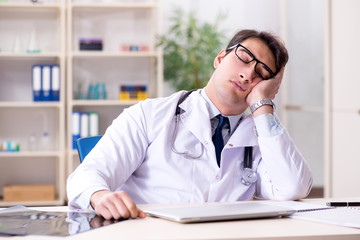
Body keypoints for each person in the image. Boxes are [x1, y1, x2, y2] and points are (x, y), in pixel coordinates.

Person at [67, 29, 313, 220]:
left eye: (261, 73)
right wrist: (99, 196)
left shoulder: (260, 135)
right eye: (244, 58)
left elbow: (292, 187)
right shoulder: (150, 114)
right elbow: (87, 175)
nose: (248, 75)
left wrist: (263, 106)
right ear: (220, 58)